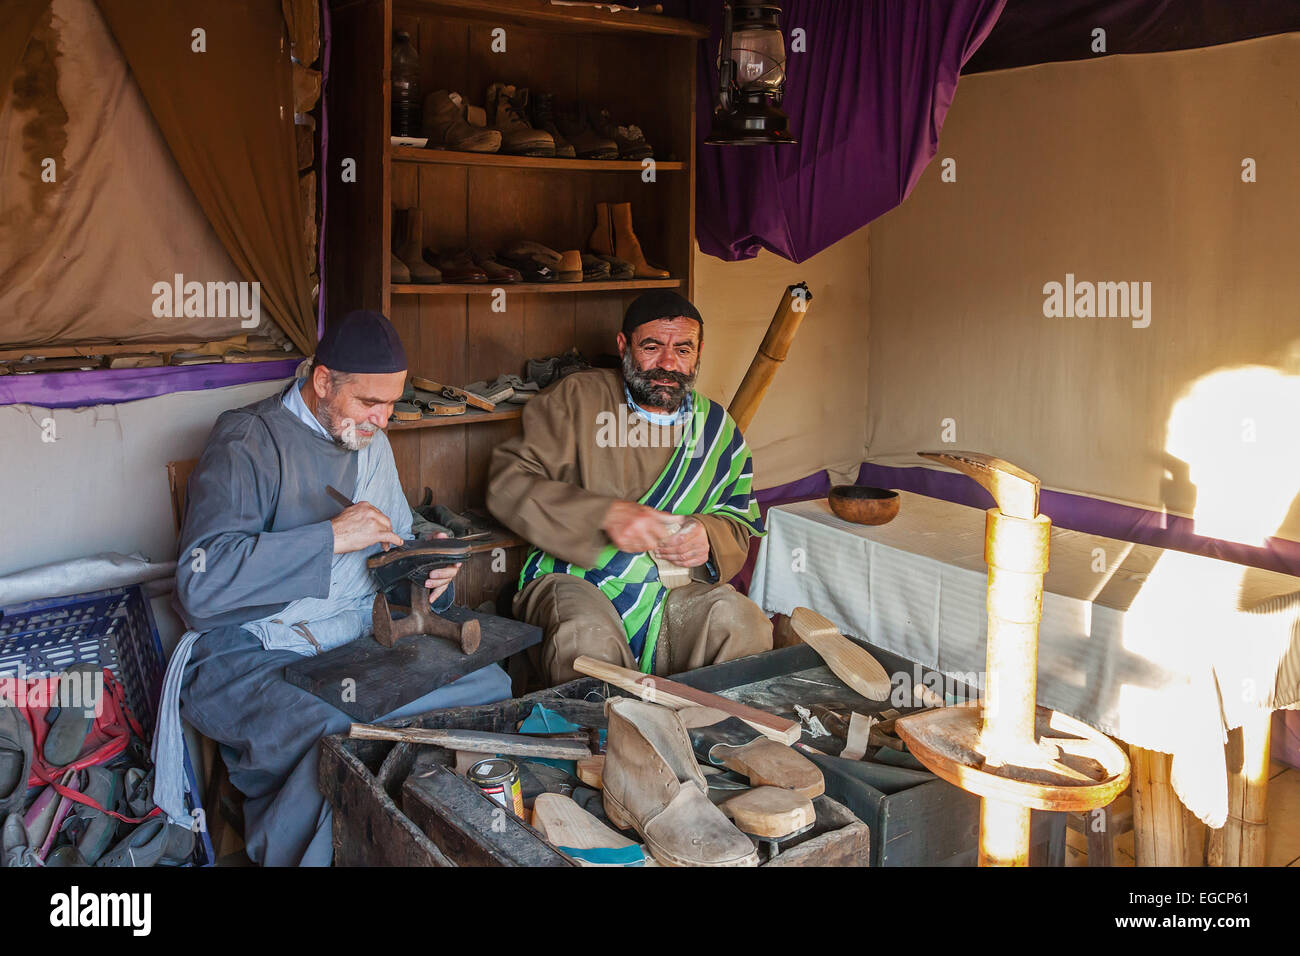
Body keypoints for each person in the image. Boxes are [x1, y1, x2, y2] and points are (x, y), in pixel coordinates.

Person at [155, 310, 512, 866]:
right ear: (324, 382)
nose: (383, 419)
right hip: (252, 646)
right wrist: (329, 537)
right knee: (345, 734)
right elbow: (203, 585)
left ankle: (429, 842)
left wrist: (425, 558)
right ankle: (349, 849)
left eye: (391, 404)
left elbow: (390, 541)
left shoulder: (367, 438)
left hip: (354, 627)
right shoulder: (247, 440)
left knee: (487, 682)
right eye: (370, 403)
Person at [488, 290, 773, 684]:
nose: (669, 363)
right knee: (584, 645)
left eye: (683, 349)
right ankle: (611, 744)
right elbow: (508, 483)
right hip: (575, 576)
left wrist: (708, 536)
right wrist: (603, 514)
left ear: (699, 351)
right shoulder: (578, 399)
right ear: (624, 345)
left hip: (673, 588)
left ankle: (694, 741)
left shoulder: (716, 428)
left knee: (745, 624)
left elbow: (739, 521)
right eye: (652, 347)